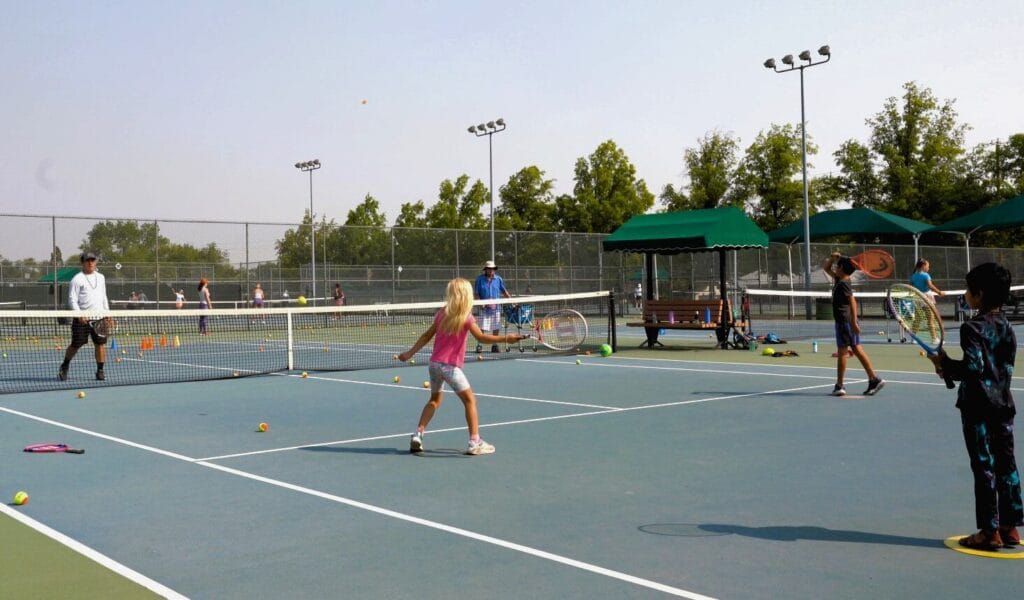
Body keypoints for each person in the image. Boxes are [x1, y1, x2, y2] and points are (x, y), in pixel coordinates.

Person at [928, 262, 1021, 550]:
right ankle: (1010, 527)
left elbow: (973, 368)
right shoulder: (1007, 327)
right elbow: (995, 369)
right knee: (1007, 465)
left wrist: (944, 364)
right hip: (1003, 405)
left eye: (969, 290)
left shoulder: (971, 328)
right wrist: (949, 368)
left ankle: (988, 532)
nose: (966, 294)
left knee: (984, 466)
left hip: (978, 408)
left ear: (978, 295)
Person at [397, 278, 525, 455]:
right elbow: (482, 338)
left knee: (434, 400)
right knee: (470, 400)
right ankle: (474, 442)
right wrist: (506, 338)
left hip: (434, 365)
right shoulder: (467, 318)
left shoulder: (442, 313)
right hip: (450, 368)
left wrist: (409, 354)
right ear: (466, 296)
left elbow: (426, 336)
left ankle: (417, 434)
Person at [823, 252, 885, 397]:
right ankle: (874, 379)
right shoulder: (840, 278)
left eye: (837, 265)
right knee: (857, 349)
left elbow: (852, 301)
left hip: (845, 321)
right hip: (845, 321)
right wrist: (833, 258)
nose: (835, 267)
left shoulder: (844, 283)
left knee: (843, 352)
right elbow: (826, 268)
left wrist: (854, 322)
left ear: (842, 268)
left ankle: (839, 385)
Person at [59, 252, 111, 382]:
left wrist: (107, 313)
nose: (91, 262)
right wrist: (79, 314)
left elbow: (104, 296)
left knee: (100, 345)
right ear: (83, 262)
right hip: (82, 319)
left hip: (99, 318)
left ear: (96, 261)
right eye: (88, 260)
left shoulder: (101, 277)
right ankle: (65, 364)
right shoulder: (77, 279)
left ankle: (100, 370)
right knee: (76, 345)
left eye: (93, 260)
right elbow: (72, 299)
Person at [473, 260, 511, 353]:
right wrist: (480, 303)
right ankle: (479, 345)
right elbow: (476, 293)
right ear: (485, 270)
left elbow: (504, 291)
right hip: (484, 308)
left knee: (496, 326)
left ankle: (494, 345)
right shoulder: (479, 280)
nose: (491, 271)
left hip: (496, 308)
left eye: (493, 269)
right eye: (489, 269)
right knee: (482, 327)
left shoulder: (499, 279)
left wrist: (512, 301)